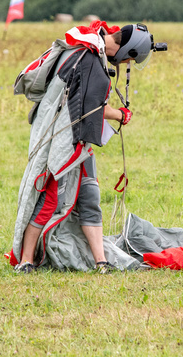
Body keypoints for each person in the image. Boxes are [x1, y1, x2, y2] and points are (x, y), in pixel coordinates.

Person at [10, 21, 158, 273]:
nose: (125, 65)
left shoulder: (88, 49)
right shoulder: (89, 59)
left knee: (90, 197)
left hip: (77, 143)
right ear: (127, 50)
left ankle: (101, 262)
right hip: (64, 142)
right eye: (128, 61)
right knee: (50, 199)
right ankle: (25, 260)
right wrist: (119, 115)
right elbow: (92, 108)